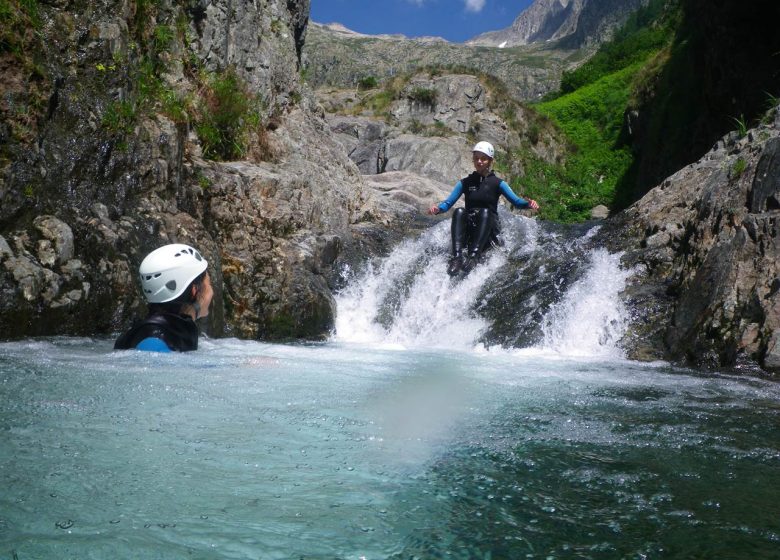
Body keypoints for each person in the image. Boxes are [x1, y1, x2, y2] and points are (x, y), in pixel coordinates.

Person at [428, 141, 539, 275]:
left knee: (485, 212)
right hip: (472, 227)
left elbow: (516, 202)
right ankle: (457, 258)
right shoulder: (465, 183)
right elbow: (448, 203)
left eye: (483, 159)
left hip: (488, 229)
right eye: (476, 158)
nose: (479, 161)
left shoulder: (498, 183)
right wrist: (438, 209)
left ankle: (474, 257)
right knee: (459, 211)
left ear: (490, 161)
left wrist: (528, 204)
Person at [114, 243, 214, 352]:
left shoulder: (155, 332)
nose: (212, 292)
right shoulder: (154, 341)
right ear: (194, 291)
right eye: (209, 284)